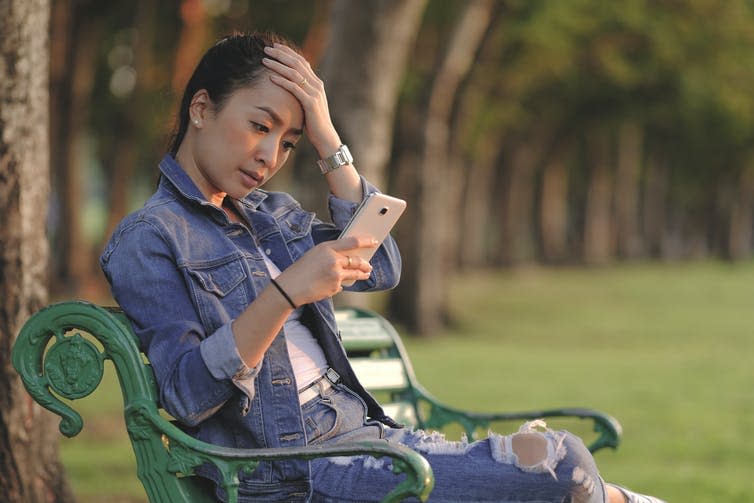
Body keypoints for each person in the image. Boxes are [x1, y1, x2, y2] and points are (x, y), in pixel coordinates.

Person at [100, 31, 665, 503]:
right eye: (260, 125)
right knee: (561, 467)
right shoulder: (149, 239)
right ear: (201, 108)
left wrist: (329, 139)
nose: (269, 157)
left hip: (364, 437)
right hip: (299, 469)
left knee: (559, 464)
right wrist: (285, 293)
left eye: (289, 142)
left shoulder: (270, 212)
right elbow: (186, 394)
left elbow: (382, 266)